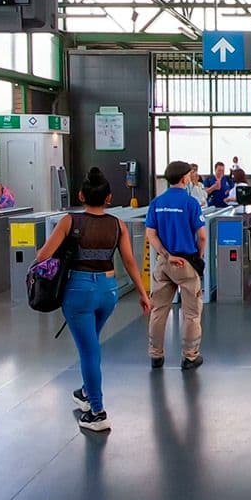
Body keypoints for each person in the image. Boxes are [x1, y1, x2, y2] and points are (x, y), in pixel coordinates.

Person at [34, 168, 153, 432]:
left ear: (80, 195)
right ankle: (86, 392)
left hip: (79, 292)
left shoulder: (69, 221)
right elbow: (130, 261)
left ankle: (97, 412)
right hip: (108, 292)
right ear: (109, 198)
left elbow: (43, 256)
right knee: (91, 344)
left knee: (89, 350)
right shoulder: (117, 224)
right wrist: (143, 294)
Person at [145, 160, 208, 370]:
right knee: (191, 313)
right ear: (184, 178)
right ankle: (190, 357)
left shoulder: (156, 202)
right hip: (186, 262)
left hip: (163, 263)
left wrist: (165, 254)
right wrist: (197, 258)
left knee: (158, 310)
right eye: (190, 175)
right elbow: (202, 236)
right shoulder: (191, 203)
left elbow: (150, 234)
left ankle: (156, 355)